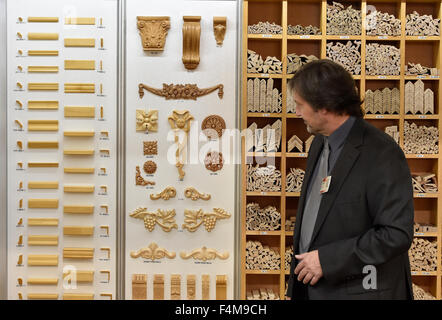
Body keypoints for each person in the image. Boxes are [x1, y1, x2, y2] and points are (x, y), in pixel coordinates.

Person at [286, 59, 414, 300]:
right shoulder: (319, 144)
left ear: (324, 107)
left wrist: (326, 260)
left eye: (300, 105)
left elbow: (395, 234)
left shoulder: (381, 153)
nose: (297, 112)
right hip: (314, 289)